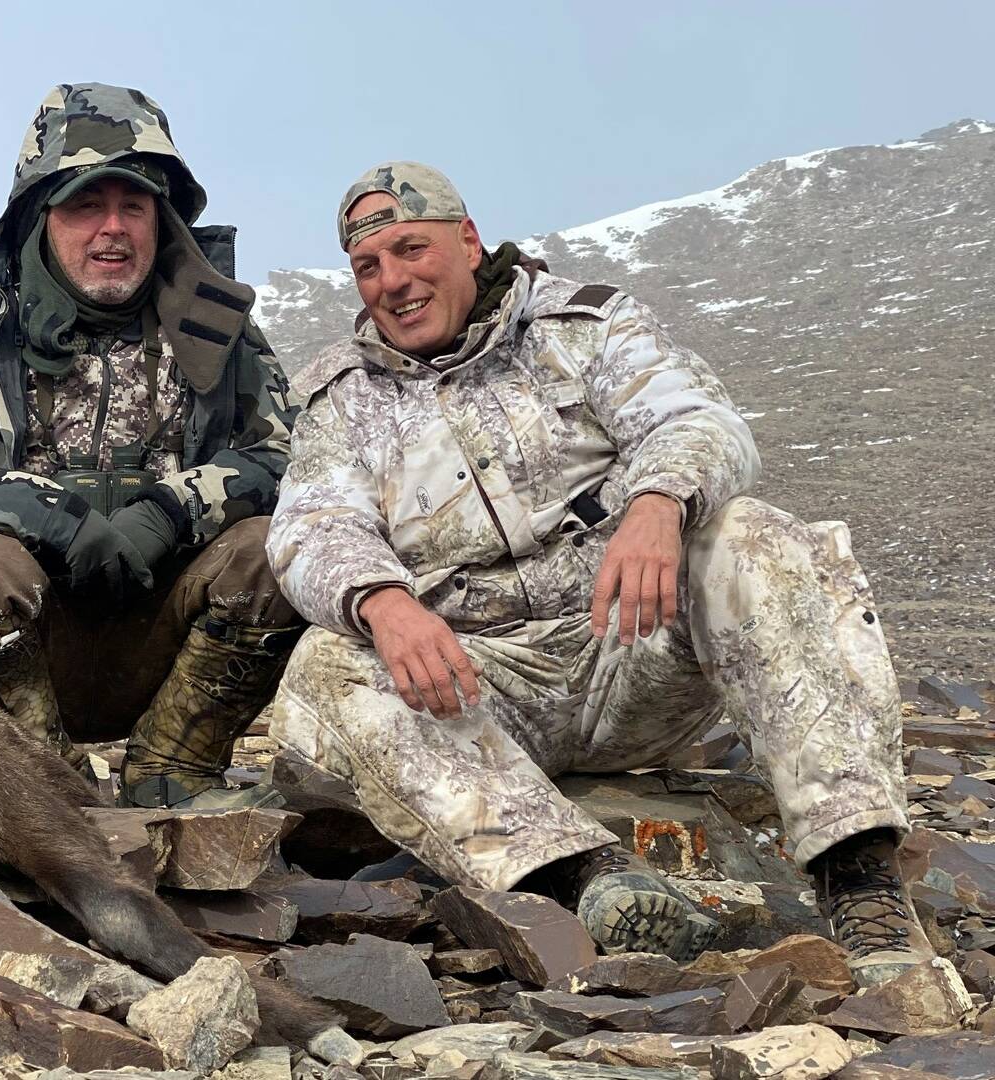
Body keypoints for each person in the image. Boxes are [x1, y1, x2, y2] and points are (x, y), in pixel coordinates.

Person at [265, 161, 929, 984]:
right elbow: (312, 524)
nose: (394, 282)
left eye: (412, 250)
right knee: (326, 660)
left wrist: (659, 503)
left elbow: (698, 418)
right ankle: (584, 880)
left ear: (468, 243)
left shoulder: (583, 326)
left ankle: (858, 875)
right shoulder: (341, 396)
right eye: (369, 267)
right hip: (475, 691)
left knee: (752, 534)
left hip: (628, 651)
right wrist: (385, 602)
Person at [0, 83, 299, 809]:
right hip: (22, 649)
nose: (113, 229)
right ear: (42, 215)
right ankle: (45, 791)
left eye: (134, 206)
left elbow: (290, 465)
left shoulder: (226, 334)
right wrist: (53, 520)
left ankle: (174, 771)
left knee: (282, 550)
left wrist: (168, 512)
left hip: (171, 646)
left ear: (161, 218)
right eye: (86, 206)